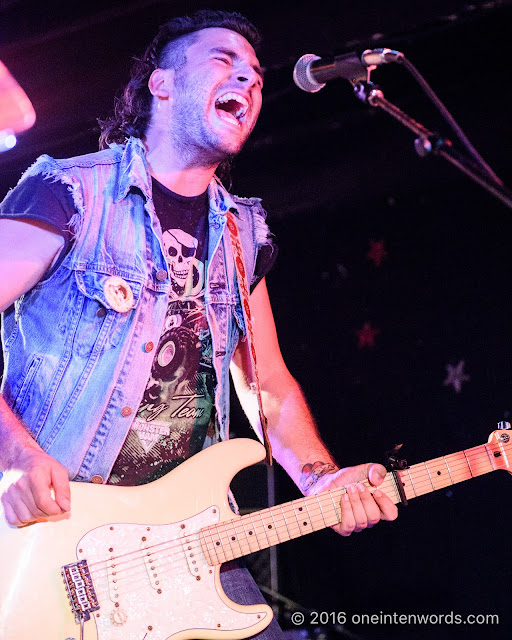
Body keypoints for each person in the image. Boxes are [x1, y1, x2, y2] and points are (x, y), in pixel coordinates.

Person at [0, 9, 397, 637]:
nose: (249, 79)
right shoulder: (71, 194)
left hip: (190, 543)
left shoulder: (242, 234)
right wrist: (14, 453)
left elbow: (267, 388)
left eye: (257, 76)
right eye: (223, 60)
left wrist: (322, 479)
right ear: (161, 84)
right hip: (57, 540)